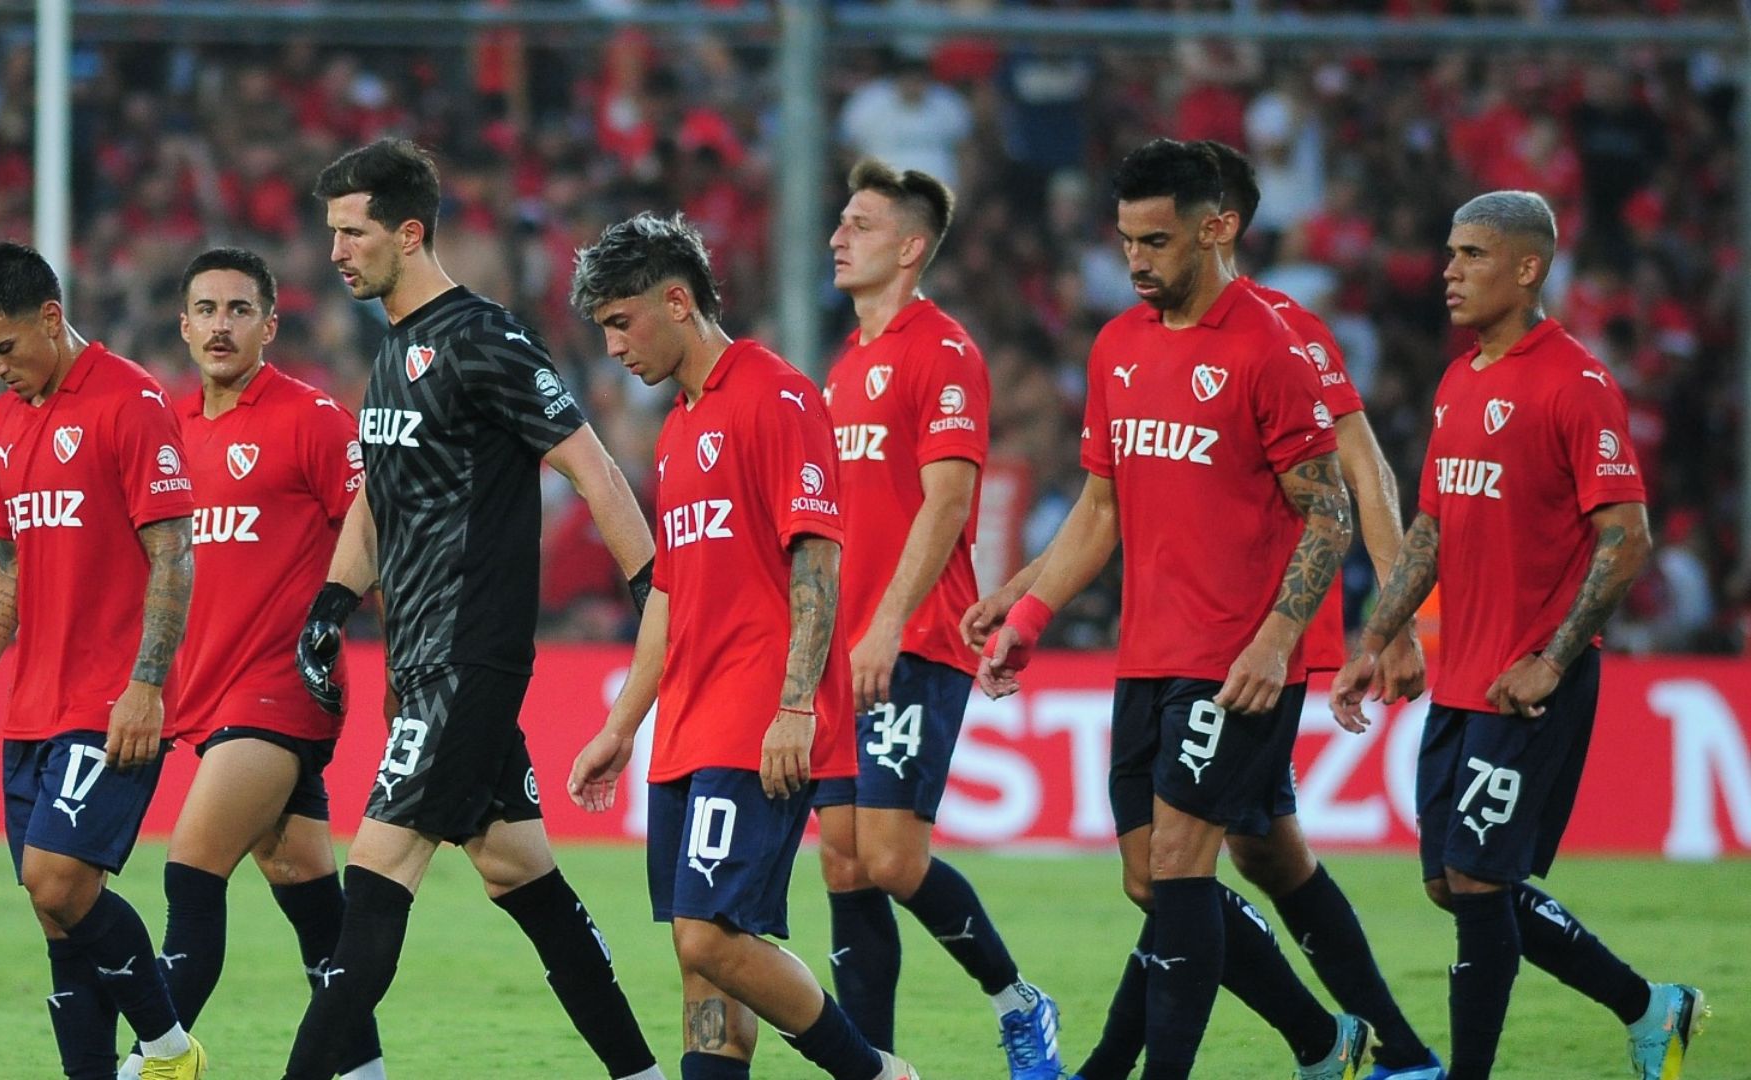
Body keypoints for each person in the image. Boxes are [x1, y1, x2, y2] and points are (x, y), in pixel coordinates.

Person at [1008, 141, 1443, 1080]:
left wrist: (1392, 616)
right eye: (1126, 241)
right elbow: (1104, 506)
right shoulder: (1121, 344)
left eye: (1154, 240)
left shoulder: (1284, 338)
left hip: (1251, 643)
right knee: (1244, 862)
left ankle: (1130, 1067)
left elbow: (1354, 476)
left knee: (1182, 862)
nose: (1134, 260)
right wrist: (1024, 605)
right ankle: (1348, 1043)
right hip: (1153, 646)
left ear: (1220, 227)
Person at [280, 139, 662, 1080]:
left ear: (410, 234)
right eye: (332, 232)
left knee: (371, 887)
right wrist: (332, 599)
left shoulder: (484, 339)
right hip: (421, 661)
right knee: (521, 875)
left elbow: (592, 466)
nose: (335, 251)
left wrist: (654, 589)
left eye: (353, 232)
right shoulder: (391, 352)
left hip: (466, 660)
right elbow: (377, 500)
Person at [1330, 190, 1705, 1080]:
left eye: (1472, 255)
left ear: (1528, 267)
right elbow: (1430, 529)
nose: (1450, 272)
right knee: (1448, 883)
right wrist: (1374, 639)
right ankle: (1649, 1006)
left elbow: (1628, 538)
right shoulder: (1460, 379)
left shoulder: (1576, 384)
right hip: (1463, 678)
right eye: (1450, 254)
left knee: (1479, 883)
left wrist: (1552, 658)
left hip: (1529, 684)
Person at [566, 211, 919, 1080]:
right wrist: (623, 724)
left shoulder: (777, 395)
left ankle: (877, 1074)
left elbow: (817, 557)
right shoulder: (680, 427)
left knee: (711, 936)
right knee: (702, 968)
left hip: (755, 715)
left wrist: (796, 705)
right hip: (686, 722)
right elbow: (670, 593)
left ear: (676, 302)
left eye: (621, 322)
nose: (613, 348)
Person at [808, 158, 1062, 1079]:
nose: (837, 237)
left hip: (911, 641)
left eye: (861, 225)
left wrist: (883, 624)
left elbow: (948, 503)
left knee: (889, 856)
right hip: (842, 650)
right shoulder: (844, 368)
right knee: (842, 861)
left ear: (912, 248)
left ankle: (1018, 999)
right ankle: (874, 1065)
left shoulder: (943, 351)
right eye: (840, 222)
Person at [0, 241, 205, 1080]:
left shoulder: (131, 401)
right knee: (56, 917)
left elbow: (174, 551)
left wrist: (147, 685)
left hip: (110, 702)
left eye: (4, 348)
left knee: (56, 880)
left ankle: (169, 1052)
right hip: (33, 705)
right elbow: (9, 557)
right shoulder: (8, 421)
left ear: (51, 319)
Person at [116, 248, 383, 1080]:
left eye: (239, 310)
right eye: (206, 309)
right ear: (183, 326)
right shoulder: (170, 431)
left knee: (192, 879)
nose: (221, 325)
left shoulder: (313, 420)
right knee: (313, 904)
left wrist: (396, 647)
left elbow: (378, 535)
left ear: (269, 325)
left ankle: (147, 1066)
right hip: (208, 696)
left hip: (280, 690)